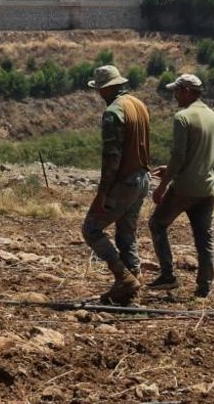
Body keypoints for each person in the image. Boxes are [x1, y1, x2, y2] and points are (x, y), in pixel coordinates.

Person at [82, 65, 151, 305]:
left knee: (91, 229)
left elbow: (112, 157)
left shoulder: (113, 112)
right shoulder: (139, 105)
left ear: (107, 89)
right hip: (143, 178)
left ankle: (123, 277)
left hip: (124, 181)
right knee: (126, 233)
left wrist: (103, 192)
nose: (99, 94)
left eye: (100, 89)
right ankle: (134, 284)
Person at [148, 74, 214, 298]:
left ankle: (168, 275)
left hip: (184, 189)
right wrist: (169, 168)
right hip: (207, 189)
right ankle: (204, 286)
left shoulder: (182, 117)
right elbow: (194, 155)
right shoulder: (212, 115)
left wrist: (162, 186)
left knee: (157, 224)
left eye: (177, 91)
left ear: (187, 90)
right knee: (204, 237)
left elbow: (179, 156)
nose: (175, 95)